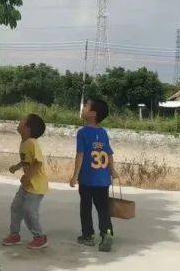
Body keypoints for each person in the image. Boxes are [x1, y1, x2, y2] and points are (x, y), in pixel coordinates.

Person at [70, 98, 116, 252]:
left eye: (86, 106)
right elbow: (109, 154)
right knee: (103, 208)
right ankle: (107, 233)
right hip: (103, 180)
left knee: (86, 207)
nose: (83, 108)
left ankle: (88, 236)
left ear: (92, 114)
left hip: (87, 179)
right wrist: (112, 170)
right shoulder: (103, 133)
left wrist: (75, 175)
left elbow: (80, 155)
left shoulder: (82, 133)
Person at [2, 113, 49, 250]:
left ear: (27, 128)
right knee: (16, 207)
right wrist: (17, 167)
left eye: (22, 121)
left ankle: (40, 237)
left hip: (36, 186)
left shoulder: (32, 143)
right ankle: (14, 235)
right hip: (27, 185)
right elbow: (26, 160)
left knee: (29, 211)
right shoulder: (24, 143)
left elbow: (38, 163)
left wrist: (27, 176)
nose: (19, 122)